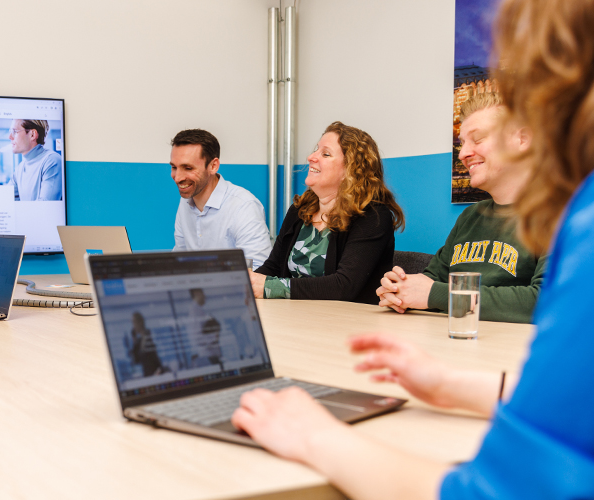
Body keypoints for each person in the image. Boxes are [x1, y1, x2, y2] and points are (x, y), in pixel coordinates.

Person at [233, 0, 594, 497]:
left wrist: (318, 436)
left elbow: (505, 487)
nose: (463, 152)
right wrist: (448, 382)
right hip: (465, 363)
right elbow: (570, 398)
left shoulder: (576, 217)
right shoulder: (478, 216)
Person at [376, 93, 546, 323]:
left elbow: (546, 300)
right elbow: (432, 280)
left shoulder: (560, 213)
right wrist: (401, 290)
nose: (463, 154)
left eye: (477, 140)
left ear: (522, 139)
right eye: (461, 143)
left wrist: (435, 295)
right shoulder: (471, 216)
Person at [250, 122, 404, 304]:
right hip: (294, 317)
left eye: (325, 154)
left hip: (347, 323)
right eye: (316, 150)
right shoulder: (300, 209)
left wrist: (270, 287)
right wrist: (245, 284)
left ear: (350, 171)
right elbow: (273, 267)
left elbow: (344, 286)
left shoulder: (372, 216)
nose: (310, 157)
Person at [171, 129, 272, 267]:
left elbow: (258, 271)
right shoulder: (186, 202)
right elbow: (180, 260)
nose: (178, 178)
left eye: (188, 168)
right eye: (174, 167)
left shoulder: (244, 206)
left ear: (213, 166)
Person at [9, 118, 63, 201]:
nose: (10, 137)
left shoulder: (52, 161)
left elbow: (45, 207)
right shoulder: (20, 169)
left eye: (15, 132)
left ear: (32, 135)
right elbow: (6, 200)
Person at [129, 312, 164, 377]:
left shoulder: (150, 335)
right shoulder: (139, 341)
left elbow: (156, 358)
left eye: (134, 322)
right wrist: (134, 341)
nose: (133, 325)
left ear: (140, 322)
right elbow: (137, 360)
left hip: (157, 374)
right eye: (132, 323)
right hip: (148, 375)